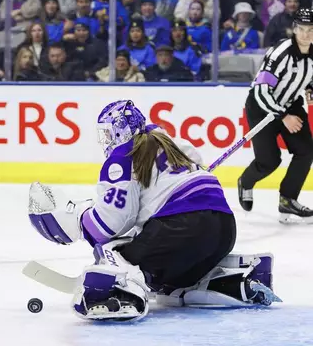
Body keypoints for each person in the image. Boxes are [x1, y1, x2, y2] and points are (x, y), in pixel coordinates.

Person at [27, 100, 281, 322]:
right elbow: (195, 163)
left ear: (119, 131)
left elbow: (111, 223)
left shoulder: (122, 158)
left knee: (113, 250)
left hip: (181, 228)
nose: (105, 141)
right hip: (224, 229)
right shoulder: (168, 140)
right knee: (172, 284)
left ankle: (117, 294)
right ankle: (237, 278)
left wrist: (82, 222)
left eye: (107, 134)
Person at [239, 8, 313, 224]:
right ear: (295, 29)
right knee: (269, 161)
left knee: (306, 151)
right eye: (302, 29)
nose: (306, 34)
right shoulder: (280, 52)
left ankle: (288, 200)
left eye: (311, 30)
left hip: (290, 105)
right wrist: (283, 116)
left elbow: (308, 80)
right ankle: (245, 181)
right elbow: (261, 91)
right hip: (262, 108)